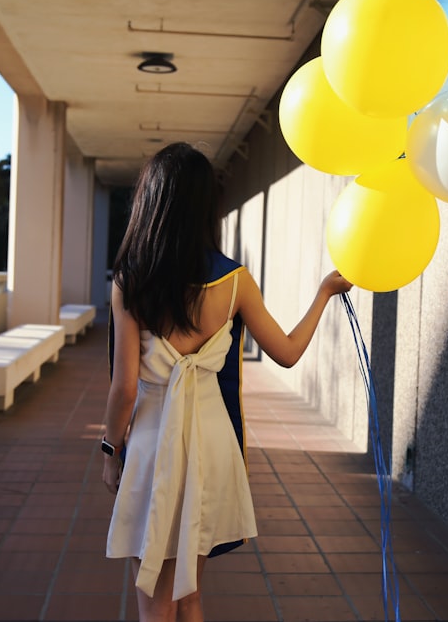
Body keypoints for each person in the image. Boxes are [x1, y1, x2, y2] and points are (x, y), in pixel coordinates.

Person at [102, 142, 352, 622]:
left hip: (155, 444)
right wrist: (323, 293)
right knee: (190, 591)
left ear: (150, 200)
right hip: (214, 443)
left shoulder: (130, 282)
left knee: (154, 592)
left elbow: (125, 387)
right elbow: (287, 352)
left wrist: (111, 452)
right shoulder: (236, 282)